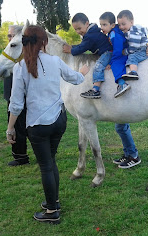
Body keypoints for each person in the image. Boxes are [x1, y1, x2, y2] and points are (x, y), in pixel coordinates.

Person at [6, 25, 89, 224]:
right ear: (44, 42)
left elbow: (16, 103)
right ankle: (55, 201)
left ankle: (52, 211)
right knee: (50, 161)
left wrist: (10, 128)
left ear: (25, 42)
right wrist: (83, 72)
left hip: (38, 124)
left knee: (46, 165)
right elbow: (75, 78)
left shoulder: (20, 68)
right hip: (59, 120)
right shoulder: (55, 61)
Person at [63, 13, 112, 99]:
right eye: (75, 29)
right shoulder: (91, 33)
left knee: (98, 67)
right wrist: (73, 47)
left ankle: (96, 89)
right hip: (105, 52)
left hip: (107, 52)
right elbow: (82, 45)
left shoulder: (90, 35)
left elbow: (82, 48)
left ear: (86, 23)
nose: (78, 31)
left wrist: (70, 50)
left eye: (79, 28)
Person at [4, 25, 30, 166]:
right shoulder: (10, 49)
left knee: (28, 126)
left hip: (26, 94)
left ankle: (43, 154)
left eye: (12, 35)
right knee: (17, 126)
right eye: (9, 35)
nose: (10, 38)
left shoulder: (24, 50)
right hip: (12, 92)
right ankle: (20, 156)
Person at [117, 10, 148, 80]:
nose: (121, 27)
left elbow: (134, 47)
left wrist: (125, 51)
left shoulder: (132, 32)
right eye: (119, 25)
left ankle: (133, 72)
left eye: (123, 24)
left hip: (140, 50)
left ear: (131, 22)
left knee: (132, 57)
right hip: (141, 49)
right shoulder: (133, 30)